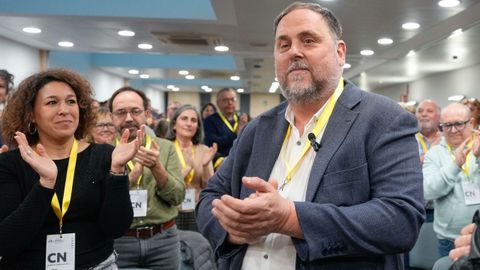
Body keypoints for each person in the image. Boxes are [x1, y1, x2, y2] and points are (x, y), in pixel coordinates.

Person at [196, 2, 425, 269]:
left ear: (340, 52)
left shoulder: (384, 119)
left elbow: (401, 220)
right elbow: (210, 196)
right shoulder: (257, 129)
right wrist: (232, 230)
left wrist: (291, 219)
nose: (294, 52)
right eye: (284, 45)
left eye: (308, 40)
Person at [0, 69, 139, 269]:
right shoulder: (10, 163)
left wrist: (117, 171)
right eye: (52, 102)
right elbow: (6, 242)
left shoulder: (105, 156)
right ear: (31, 114)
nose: (64, 109)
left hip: (97, 264)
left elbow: (116, 228)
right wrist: (45, 185)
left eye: (71, 101)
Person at [109, 86, 185, 269]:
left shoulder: (165, 148)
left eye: (135, 111)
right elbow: (99, 202)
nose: (128, 118)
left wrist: (157, 167)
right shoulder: (103, 152)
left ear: (147, 114)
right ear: (112, 117)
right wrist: (128, 178)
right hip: (119, 241)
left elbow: (177, 197)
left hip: (163, 240)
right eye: (121, 112)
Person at [423, 102, 480, 257]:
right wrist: (455, 165)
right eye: (447, 125)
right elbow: (428, 191)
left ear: (471, 123)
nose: (453, 130)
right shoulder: (435, 154)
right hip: (450, 239)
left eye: (458, 124)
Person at [166, 104, 217, 231]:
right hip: (171, 211)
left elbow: (209, 187)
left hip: (196, 210)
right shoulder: (165, 148)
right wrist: (186, 170)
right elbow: (163, 184)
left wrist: (205, 166)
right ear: (173, 124)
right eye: (184, 118)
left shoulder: (204, 150)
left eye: (193, 120)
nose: (189, 123)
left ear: (198, 127)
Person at [203, 88, 248, 169]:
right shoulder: (210, 121)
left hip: (241, 162)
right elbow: (212, 143)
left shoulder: (241, 120)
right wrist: (236, 134)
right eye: (225, 100)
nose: (230, 103)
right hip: (219, 163)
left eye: (232, 99)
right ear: (218, 103)